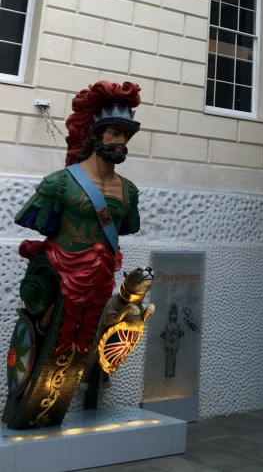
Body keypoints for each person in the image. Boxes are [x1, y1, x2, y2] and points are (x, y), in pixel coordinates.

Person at [3, 80, 142, 429]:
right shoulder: (59, 184)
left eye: (126, 136)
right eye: (114, 133)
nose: (121, 142)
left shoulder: (129, 192)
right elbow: (40, 222)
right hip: (62, 275)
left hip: (100, 280)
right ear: (96, 134)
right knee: (51, 342)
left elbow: (128, 227)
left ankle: (52, 405)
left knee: (81, 347)